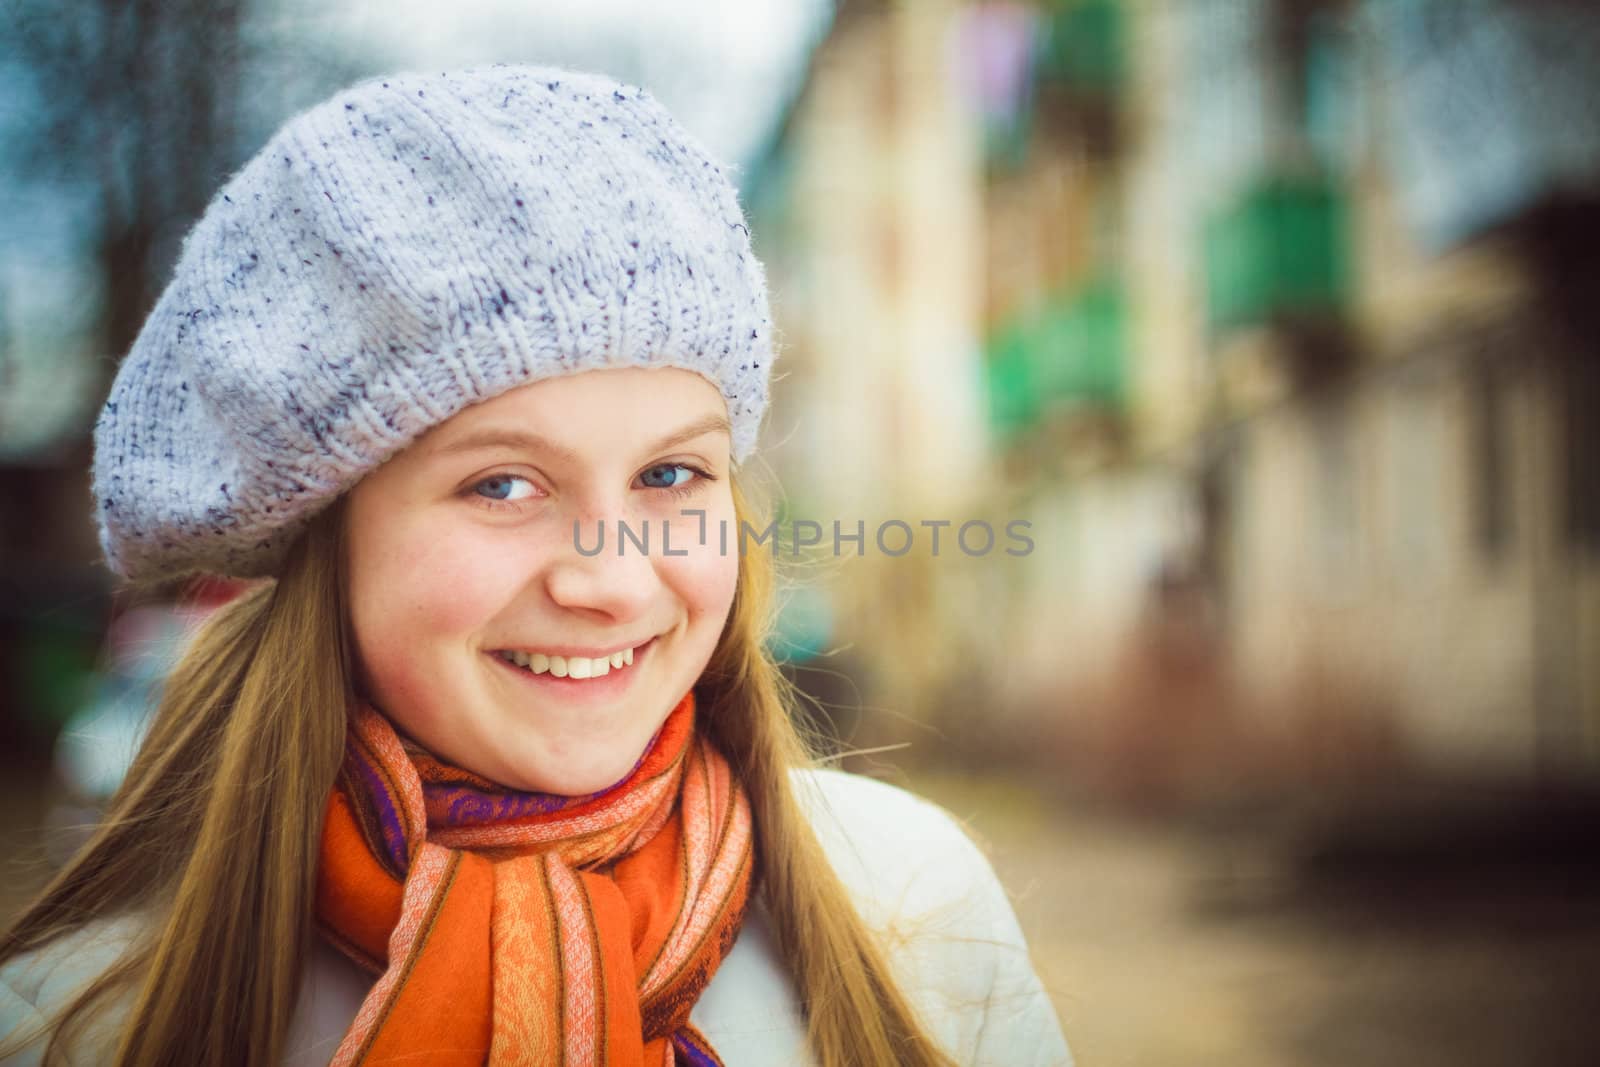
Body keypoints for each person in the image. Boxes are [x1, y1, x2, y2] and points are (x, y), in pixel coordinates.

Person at [0, 65, 1071, 1067]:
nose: (610, 578)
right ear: (326, 539)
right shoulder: (78, 1017)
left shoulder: (907, 907)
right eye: (502, 485)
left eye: (669, 474)